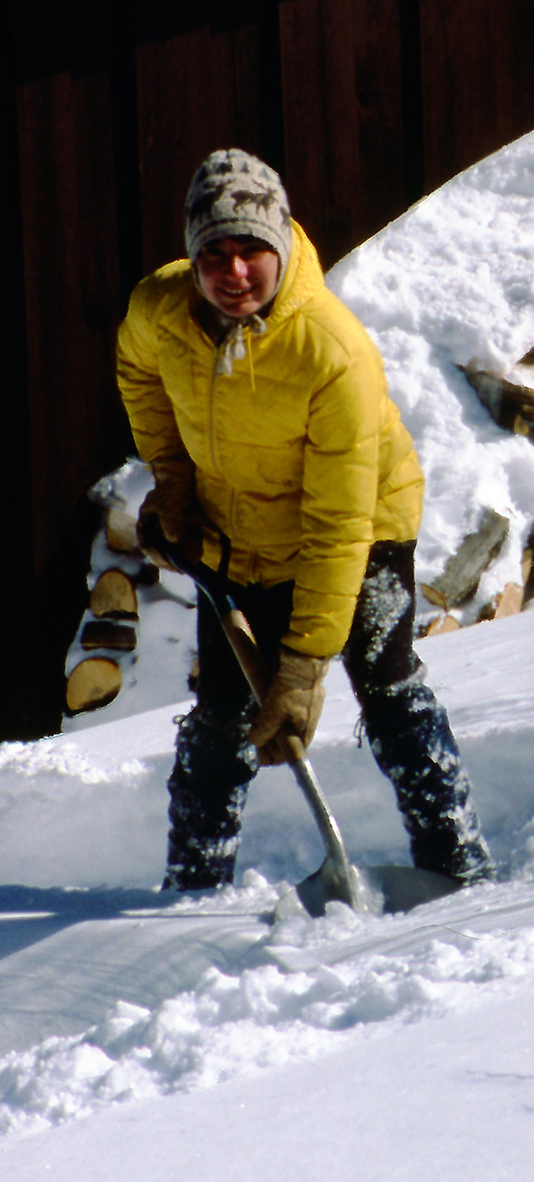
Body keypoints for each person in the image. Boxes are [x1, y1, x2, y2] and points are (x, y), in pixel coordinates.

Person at [116, 148, 492, 894]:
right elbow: (139, 375)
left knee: (385, 688)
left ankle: (457, 865)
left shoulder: (331, 352)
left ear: (282, 246)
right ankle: (191, 888)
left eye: (253, 251)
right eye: (214, 254)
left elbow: (338, 524)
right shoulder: (160, 311)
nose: (234, 273)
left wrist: (301, 667)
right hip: (236, 527)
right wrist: (174, 484)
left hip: (360, 527)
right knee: (223, 713)